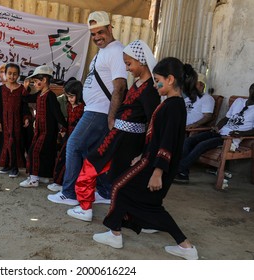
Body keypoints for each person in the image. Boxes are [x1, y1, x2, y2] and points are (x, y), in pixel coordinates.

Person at [93, 57, 199, 260]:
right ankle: (186, 247)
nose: (155, 84)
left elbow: (167, 142)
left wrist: (158, 172)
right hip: (150, 160)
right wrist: (142, 155)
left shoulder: (174, 106)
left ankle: (115, 234)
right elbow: (158, 137)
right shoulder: (171, 104)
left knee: (119, 188)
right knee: (144, 203)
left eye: (157, 80)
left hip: (156, 166)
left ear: (170, 79)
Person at [64, 39, 161, 222]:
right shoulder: (139, 84)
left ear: (141, 61)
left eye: (129, 64)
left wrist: (144, 152)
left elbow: (152, 124)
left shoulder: (150, 90)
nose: (126, 69)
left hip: (127, 140)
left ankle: (86, 209)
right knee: (116, 176)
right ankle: (120, 213)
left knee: (92, 165)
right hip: (119, 136)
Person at [47, 11, 127, 204]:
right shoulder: (104, 51)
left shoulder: (116, 50)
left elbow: (120, 86)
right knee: (91, 152)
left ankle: (69, 193)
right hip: (94, 109)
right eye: (93, 34)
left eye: (100, 32)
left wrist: (111, 117)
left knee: (74, 145)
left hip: (99, 112)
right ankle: (104, 191)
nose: (97, 37)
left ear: (110, 28)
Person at [175, 83, 254, 183]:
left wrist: (240, 133)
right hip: (220, 132)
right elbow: (226, 118)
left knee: (202, 145)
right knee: (189, 141)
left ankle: (179, 170)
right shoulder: (239, 101)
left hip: (229, 138)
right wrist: (217, 127)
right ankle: (183, 172)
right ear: (250, 90)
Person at [19, 65, 67, 187]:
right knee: (43, 153)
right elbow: (25, 99)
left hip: (48, 131)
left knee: (34, 152)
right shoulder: (39, 94)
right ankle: (44, 176)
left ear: (44, 80)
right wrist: (25, 88)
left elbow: (57, 114)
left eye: (36, 81)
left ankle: (34, 179)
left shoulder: (50, 96)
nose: (34, 84)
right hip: (39, 131)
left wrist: (64, 127)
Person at [47, 80, 85, 192]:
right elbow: (68, 121)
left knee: (72, 162)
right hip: (68, 137)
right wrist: (64, 129)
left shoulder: (83, 108)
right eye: (68, 97)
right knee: (62, 159)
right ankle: (59, 182)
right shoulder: (69, 106)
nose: (70, 99)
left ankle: (66, 184)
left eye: (72, 96)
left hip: (78, 139)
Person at [0, 63, 31, 178]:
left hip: (17, 122)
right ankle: (7, 165)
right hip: (5, 121)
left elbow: (25, 106)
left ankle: (15, 167)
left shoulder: (21, 89)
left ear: (18, 75)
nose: (12, 76)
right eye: (9, 73)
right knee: (6, 143)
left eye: (15, 74)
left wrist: (26, 118)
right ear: (5, 74)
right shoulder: (1, 89)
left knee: (15, 143)